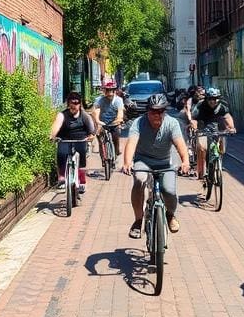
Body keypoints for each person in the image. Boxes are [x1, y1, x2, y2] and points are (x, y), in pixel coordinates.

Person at [122, 93, 190, 238]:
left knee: (169, 191)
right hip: (143, 161)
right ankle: (138, 220)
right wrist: (127, 162)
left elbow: (180, 144)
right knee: (139, 180)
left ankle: (170, 215)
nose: (156, 115)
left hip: (165, 162)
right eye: (153, 111)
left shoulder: (172, 123)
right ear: (148, 111)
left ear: (165, 111)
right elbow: (131, 143)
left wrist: (185, 161)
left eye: (160, 111)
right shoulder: (139, 123)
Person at [49, 91, 96, 193]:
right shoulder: (62, 115)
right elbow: (56, 126)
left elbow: (91, 129)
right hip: (65, 139)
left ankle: (82, 180)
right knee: (61, 153)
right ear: (68, 104)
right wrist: (52, 136)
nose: (74, 106)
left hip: (80, 140)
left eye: (76, 103)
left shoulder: (84, 115)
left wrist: (91, 135)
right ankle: (61, 178)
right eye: (72, 103)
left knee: (82, 155)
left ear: (80, 104)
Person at [190, 87, 236, 182]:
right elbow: (194, 119)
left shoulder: (222, 106)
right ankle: (202, 171)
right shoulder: (200, 106)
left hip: (218, 129)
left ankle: (217, 163)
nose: (213, 101)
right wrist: (195, 129)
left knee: (222, 149)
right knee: (202, 148)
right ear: (206, 98)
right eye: (210, 99)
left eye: (215, 99)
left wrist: (231, 128)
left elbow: (227, 116)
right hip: (203, 128)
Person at [92, 81, 124, 159]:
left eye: (112, 91)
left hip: (114, 123)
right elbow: (95, 111)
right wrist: (98, 121)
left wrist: (119, 120)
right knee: (100, 138)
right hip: (102, 123)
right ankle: (103, 157)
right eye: (108, 90)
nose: (110, 93)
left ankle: (116, 151)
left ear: (114, 91)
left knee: (116, 135)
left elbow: (120, 113)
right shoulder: (99, 100)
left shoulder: (118, 100)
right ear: (104, 91)